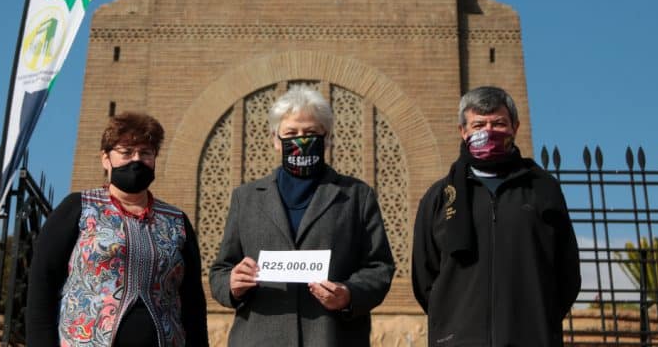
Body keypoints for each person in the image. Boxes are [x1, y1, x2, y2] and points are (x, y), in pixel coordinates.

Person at [209, 85, 395, 346]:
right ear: (276, 139)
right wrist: (232, 284)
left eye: (311, 133)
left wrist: (349, 294)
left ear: (327, 138)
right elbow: (220, 270)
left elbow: (379, 267)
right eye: (291, 133)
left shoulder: (356, 195)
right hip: (259, 337)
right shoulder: (246, 198)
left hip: (332, 337)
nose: (301, 139)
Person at [411, 86, 581, 347]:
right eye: (478, 124)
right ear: (463, 131)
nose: (488, 131)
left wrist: (538, 321)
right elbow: (425, 278)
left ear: (515, 127)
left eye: (498, 123)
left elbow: (566, 271)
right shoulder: (441, 197)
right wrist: (452, 322)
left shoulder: (542, 189)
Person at [26, 112, 208, 347]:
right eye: (126, 152)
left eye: (145, 153)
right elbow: (43, 283)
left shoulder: (176, 221)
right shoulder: (79, 208)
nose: (137, 160)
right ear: (106, 158)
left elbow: (193, 302)